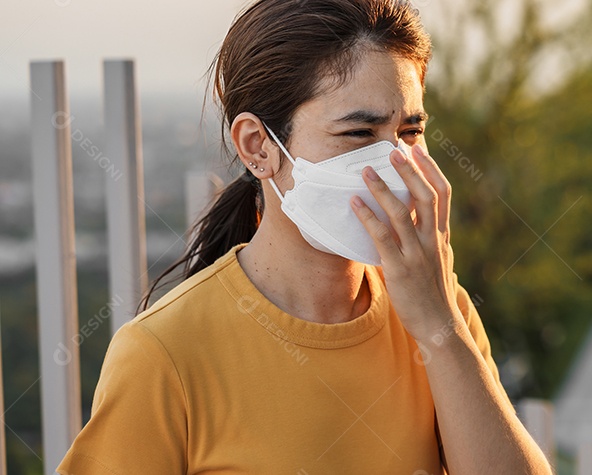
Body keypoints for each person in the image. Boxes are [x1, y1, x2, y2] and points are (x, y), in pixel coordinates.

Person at [57, 0, 551, 473]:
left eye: (409, 132)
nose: (395, 164)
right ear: (258, 147)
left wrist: (440, 330)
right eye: (359, 134)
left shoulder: (440, 308)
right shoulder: (162, 353)